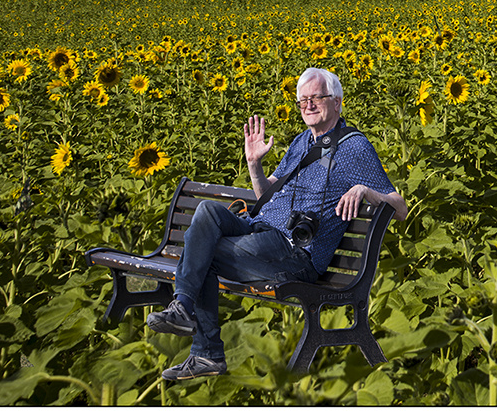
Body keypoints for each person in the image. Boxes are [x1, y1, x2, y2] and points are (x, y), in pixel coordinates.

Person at [146, 67, 407, 381]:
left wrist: (365, 190)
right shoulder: (301, 142)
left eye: (317, 98)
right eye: (303, 101)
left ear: (337, 102)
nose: (308, 105)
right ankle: (185, 309)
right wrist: (254, 166)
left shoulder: (354, 148)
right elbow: (265, 197)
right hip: (261, 231)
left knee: (203, 252)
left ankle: (206, 352)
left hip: (295, 253)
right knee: (206, 212)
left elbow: (400, 207)